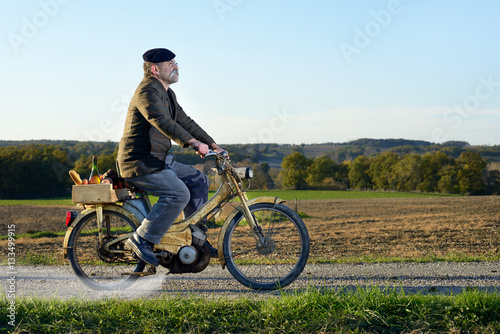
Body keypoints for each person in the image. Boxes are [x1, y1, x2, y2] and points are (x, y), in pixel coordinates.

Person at [117, 48, 226, 266]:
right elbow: (162, 121)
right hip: (141, 162)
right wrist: (193, 143)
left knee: (198, 180)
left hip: (160, 159)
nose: (176, 66)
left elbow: (184, 121)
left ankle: (194, 240)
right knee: (178, 194)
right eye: (171, 63)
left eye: (176, 62)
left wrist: (213, 144)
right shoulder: (147, 92)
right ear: (155, 69)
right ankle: (142, 239)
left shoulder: (167, 93)